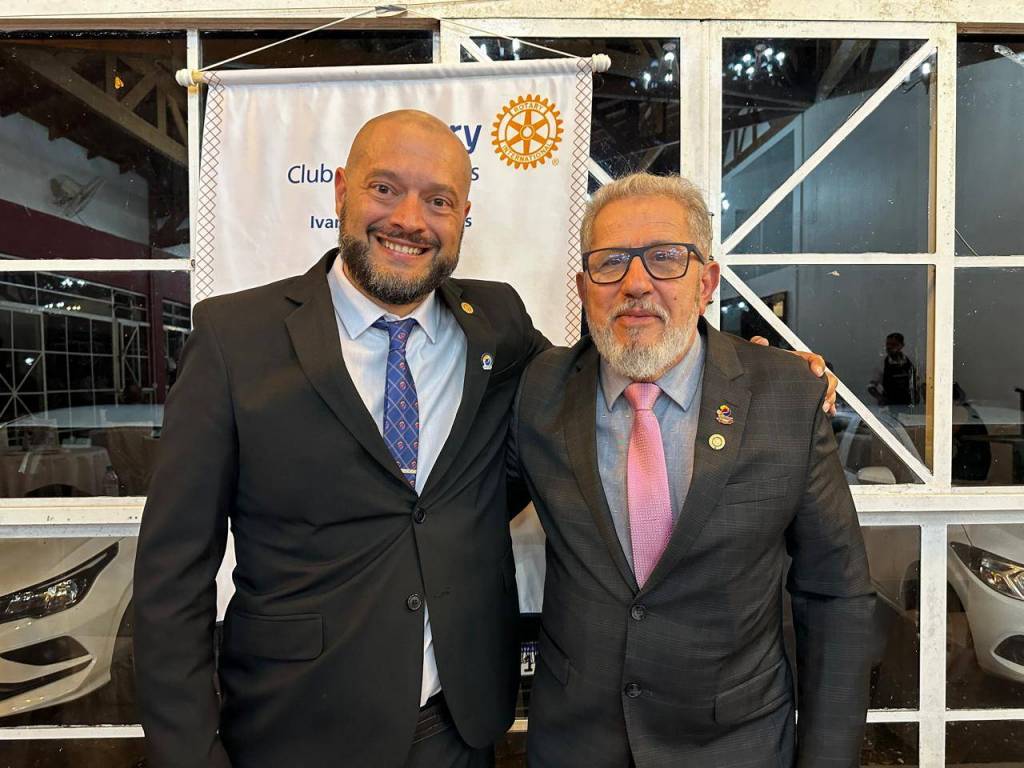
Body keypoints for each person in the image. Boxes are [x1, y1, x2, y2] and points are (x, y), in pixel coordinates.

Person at [135, 110, 837, 768]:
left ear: (463, 217)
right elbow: (172, 579)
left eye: (439, 200)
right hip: (294, 728)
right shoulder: (234, 339)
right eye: (385, 189)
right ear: (343, 191)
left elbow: (615, 365)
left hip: (460, 729)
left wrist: (750, 373)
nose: (410, 220)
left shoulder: (497, 324)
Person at [510, 172, 876, 768]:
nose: (635, 283)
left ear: (706, 281)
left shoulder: (787, 395)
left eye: (664, 258)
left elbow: (835, 593)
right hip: (576, 744)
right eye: (610, 262)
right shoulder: (537, 390)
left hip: (736, 745)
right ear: (583, 287)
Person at [868, 332, 919, 409]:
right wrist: (880, 398)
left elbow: (919, 383)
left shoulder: (911, 362)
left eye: (893, 344)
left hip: (909, 407)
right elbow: (871, 387)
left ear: (902, 345)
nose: (889, 347)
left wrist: (917, 396)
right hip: (889, 408)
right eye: (888, 344)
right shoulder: (881, 364)